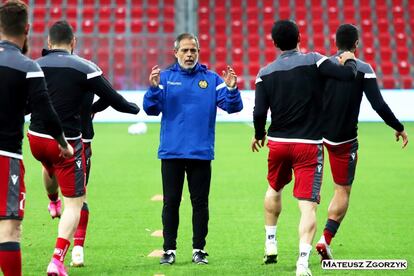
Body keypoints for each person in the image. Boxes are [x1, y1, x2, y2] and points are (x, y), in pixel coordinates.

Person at [27, 20, 139, 275]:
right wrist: (134, 108)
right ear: (73, 42)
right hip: (66, 144)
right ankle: (57, 259)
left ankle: (52, 201)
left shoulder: (33, 66)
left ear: (48, 43)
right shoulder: (85, 68)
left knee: (48, 166)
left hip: (35, 139)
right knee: (75, 204)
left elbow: (24, 104)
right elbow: (115, 99)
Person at [251, 20, 357, 276]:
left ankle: (271, 243)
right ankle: (301, 263)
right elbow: (348, 76)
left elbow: (258, 112)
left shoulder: (264, 72)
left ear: (274, 43)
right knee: (307, 205)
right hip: (308, 145)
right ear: (300, 37)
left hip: (278, 143)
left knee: (274, 188)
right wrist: (350, 59)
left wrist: (259, 134)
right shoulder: (315, 60)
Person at [143, 32, 243, 265]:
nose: (189, 54)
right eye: (185, 50)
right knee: (171, 202)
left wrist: (231, 89)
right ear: (175, 52)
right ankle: (169, 250)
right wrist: (154, 89)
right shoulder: (165, 79)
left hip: (200, 152)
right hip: (172, 152)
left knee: (200, 203)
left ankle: (199, 249)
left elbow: (233, 108)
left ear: (198, 52)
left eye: (193, 50)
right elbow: (150, 109)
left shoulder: (212, 79)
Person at [315, 24, 408, 261]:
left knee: (309, 191)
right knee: (342, 190)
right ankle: (325, 239)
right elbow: (378, 105)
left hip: (318, 135)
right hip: (344, 140)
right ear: (357, 44)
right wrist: (398, 127)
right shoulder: (364, 69)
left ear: (335, 43)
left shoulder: (323, 65)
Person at [0, 1, 73, 275]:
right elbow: (46, 111)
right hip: (5, 156)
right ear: (27, 29)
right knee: (8, 229)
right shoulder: (27, 66)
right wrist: (63, 144)